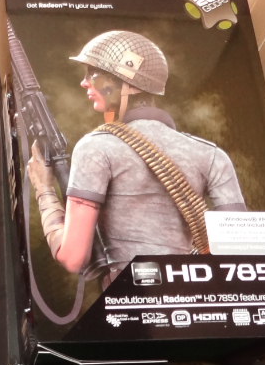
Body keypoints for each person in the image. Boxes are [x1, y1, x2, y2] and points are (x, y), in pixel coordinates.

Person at [27, 30, 247, 285]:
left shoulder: (96, 148)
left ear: (125, 84)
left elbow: (73, 257)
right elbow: (241, 254)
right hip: (192, 294)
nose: (84, 83)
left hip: (127, 298)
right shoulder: (211, 154)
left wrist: (44, 189)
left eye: (93, 74)